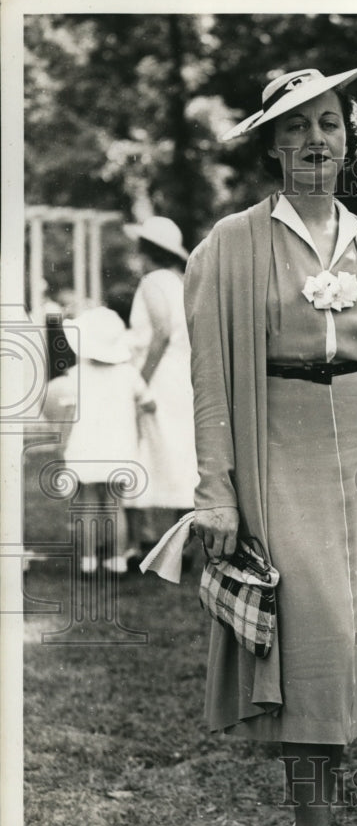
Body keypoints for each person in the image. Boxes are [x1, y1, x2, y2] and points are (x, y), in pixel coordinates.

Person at [184, 64, 357, 826]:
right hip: (276, 453)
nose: (313, 141)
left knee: (345, 659)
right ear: (270, 144)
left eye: (327, 123)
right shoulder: (229, 244)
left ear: (349, 136)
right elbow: (212, 381)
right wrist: (215, 493)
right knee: (312, 645)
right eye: (293, 128)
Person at [123, 216, 198, 561]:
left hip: (161, 376)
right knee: (178, 453)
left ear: (145, 249)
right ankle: (178, 541)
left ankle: (148, 541)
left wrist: (142, 380)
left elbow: (162, 333)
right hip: (182, 375)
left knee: (151, 449)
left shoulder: (153, 281)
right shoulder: (180, 281)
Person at [61, 307, 155, 574]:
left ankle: (88, 561)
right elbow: (149, 403)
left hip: (86, 448)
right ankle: (117, 560)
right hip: (119, 448)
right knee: (116, 506)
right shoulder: (128, 374)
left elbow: (68, 414)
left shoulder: (76, 375)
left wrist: (64, 445)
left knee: (88, 505)